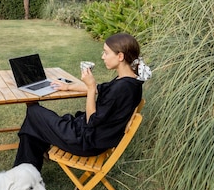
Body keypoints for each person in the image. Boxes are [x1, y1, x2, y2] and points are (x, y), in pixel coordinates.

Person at [13, 32, 151, 172]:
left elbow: (91, 120)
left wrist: (90, 88)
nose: (102, 56)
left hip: (86, 143)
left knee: (34, 111)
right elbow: (101, 88)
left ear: (120, 56)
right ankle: (27, 172)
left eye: (106, 53)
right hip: (95, 138)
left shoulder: (120, 89)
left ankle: (24, 176)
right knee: (35, 123)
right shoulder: (131, 81)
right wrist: (68, 86)